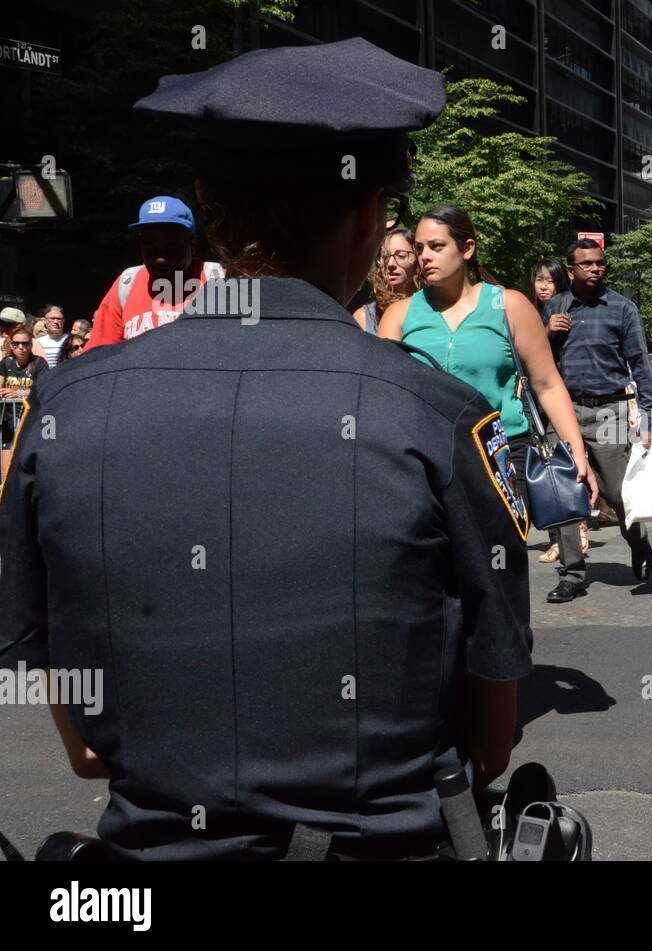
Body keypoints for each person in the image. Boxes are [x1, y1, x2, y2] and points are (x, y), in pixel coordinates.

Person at [0, 38, 533, 860]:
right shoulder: (441, 415)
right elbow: (490, 744)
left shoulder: (66, 405)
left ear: (208, 208)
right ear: (369, 215)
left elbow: (85, 748)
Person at [378, 205, 596, 554]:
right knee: (436, 570)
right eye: (419, 248)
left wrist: (577, 454)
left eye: (436, 246)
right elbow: (383, 397)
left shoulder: (508, 305)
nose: (424, 257)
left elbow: (548, 384)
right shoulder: (400, 315)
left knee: (497, 566)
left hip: (502, 456)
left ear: (467, 249)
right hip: (425, 460)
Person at [541, 237, 652, 604]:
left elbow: (640, 363)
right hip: (564, 411)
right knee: (563, 493)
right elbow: (534, 361)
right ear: (571, 270)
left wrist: (651, 416)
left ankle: (638, 544)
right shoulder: (554, 308)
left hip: (610, 411)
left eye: (600, 263)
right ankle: (573, 573)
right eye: (587, 264)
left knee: (617, 494)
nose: (596, 269)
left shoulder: (622, 308)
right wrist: (549, 335)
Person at [84, 195, 225, 352]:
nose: (160, 258)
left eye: (170, 246)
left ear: (192, 244)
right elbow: (97, 356)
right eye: (149, 245)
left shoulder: (221, 281)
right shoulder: (126, 284)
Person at [530, 258, 589, 563]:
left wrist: (550, 330)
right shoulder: (533, 312)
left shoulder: (563, 310)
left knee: (557, 464)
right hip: (532, 402)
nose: (542, 286)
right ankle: (566, 534)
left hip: (560, 400)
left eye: (549, 280)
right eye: (538, 279)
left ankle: (571, 533)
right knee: (548, 464)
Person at [353, 226, 422, 334]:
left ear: (418, 259)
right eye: (385, 256)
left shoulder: (433, 309)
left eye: (401, 256)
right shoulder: (365, 318)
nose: (390, 264)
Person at [0, 327, 48, 479]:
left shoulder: (39, 363)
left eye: (25, 344)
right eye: (16, 344)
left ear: (31, 344)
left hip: (31, 418)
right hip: (8, 417)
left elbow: (42, 388)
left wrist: (18, 393)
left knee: (27, 459)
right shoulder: (6, 363)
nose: (21, 347)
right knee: (7, 470)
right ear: (11, 345)